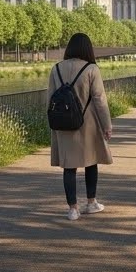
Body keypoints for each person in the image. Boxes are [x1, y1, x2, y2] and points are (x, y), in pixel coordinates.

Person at [49, 32, 113, 221]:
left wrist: (52, 123)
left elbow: (50, 98)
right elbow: (100, 100)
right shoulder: (91, 69)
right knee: (91, 162)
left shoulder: (56, 69)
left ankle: (72, 209)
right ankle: (91, 202)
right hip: (88, 122)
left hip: (63, 123)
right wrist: (107, 125)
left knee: (69, 166)